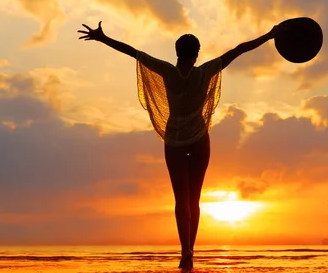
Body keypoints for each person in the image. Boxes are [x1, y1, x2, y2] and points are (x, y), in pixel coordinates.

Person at [78, 21, 283, 271]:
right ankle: (190, 252)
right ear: (196, 53)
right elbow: (238, 50)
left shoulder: (168, 71)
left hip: (174, 139)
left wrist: (103, 38)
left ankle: (184, 250)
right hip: (198, 139)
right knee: (194, 200)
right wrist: (270, 35)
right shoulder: (204, 71)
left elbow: (132, 51)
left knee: (180, 199)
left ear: (177, 52)